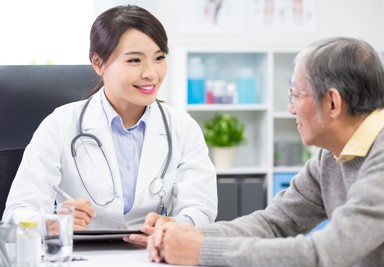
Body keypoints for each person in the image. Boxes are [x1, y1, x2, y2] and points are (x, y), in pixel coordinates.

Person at [147, 37, 384, 266]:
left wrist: (200, 250)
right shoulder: (330, 157)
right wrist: (183, 234)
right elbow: (273, 224)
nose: (291, 109)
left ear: (332, 102)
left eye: (296, 95)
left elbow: (324, 254)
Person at [2, 5, 217, 247]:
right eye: (135, 60)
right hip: (80, 256)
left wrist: (176, 224)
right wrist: (51, 223)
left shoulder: (182, 128)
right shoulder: (59, 125)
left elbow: (201, 208)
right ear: (98, 63)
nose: (151, 73)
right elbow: (16, 214)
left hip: (153, 255)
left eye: (159, 58)